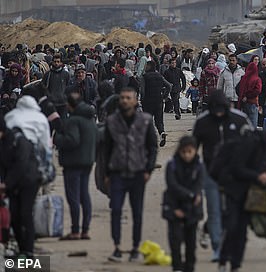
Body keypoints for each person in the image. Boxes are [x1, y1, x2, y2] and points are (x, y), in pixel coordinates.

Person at [217, 118, 266, 272]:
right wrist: (257, 176)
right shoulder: (253, 143)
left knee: (242, 230)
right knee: (232, 226)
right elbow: (237, 167)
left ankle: (235, 264)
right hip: (235, 190)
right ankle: (223, 259)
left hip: (250, 194)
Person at [193, 89, 253, 264]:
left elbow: (251, 144)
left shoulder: (239, 119)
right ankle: (218, 248)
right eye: (215, 108)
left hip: (236, 174)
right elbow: (192, 148)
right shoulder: (202, 122)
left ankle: (232, 245)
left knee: (234, 211)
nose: (218, 112)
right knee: (214, 210)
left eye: (221, 108)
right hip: (211, 172)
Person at [103, 87, 158, 262]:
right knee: (116, 210)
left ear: (135, 101)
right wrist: (106, 173)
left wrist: (148, 169)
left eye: (128, 98)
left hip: (138, 173)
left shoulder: (146, 120)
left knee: (137, 212)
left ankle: (135, 247)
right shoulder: (112, 121)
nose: (125, 100)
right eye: (122, 98)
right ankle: (117, 247)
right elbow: (106, 149)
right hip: (117, 173)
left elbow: (152, 147)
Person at [53, 92, 97, 240]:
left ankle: (75, 230)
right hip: (87, 161)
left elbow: (72, 140)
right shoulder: (90, 118)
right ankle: (85, 230)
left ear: (69, 105)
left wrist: (57, 138)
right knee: (84, 195)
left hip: (73, 163)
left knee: (73, 197)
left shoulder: (73, 120)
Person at [162, 136, 204, 272]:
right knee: (175, 241)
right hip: (174, 207)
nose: (186, 155)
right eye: (183, 152)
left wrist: (193, 200)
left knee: (191, 244)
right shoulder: (172, 165)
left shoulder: (199, 166)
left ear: (195, 151)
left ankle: (190, 267)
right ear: (179, 151)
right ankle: (177, 267)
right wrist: (189, 197)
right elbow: (172, 186)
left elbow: (198, 186)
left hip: (192, 210)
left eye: (189, 152)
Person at [0, 118, 40, 257]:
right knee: (14, 215)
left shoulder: (18, 141)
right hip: (13, 184)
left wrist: (6, 183)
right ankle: (21, 248)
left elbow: (21, 166)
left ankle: (28, 251)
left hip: (29, 182)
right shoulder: (3, 143)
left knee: (25, 214)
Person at [140, 61, 172, 147]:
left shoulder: (144, 77)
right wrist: (164, 96)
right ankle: (162, 133)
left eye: (146, 65)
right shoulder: (160, 76)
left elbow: (142, 91)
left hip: (147, 101)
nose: (145, 67)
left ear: (149, 67)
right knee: (159, 121)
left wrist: (141, 100)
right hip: (159, 100)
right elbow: (169, 86)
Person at [239, 62, 262, 128]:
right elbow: (258, 90)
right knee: (253, 123)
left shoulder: (244, 78)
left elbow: (238, 88)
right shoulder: (257, 79)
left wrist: (243, 96)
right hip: (253, 102)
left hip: (243, 103)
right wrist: (248, 96)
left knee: (245, 123)